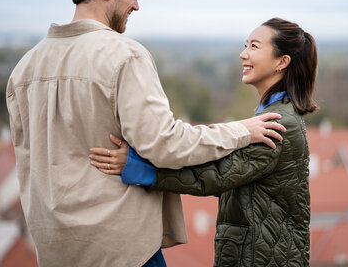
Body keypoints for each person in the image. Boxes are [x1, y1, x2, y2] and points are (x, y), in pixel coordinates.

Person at [5, 0, 286, 267]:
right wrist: (240, 132)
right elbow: (165, 145)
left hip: (54, 249)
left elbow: (28, 161)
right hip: (119, 248)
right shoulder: (123, 55)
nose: (137, 5)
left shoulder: (24, 69)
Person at [91, 17, 318, 266]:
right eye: (246, 45)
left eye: (254, 46)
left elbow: (216, 175)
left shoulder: (277, 123)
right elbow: (234, 178)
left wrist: (138, 166)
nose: (243, 54)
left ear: (282, 62)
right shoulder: (272, 114)